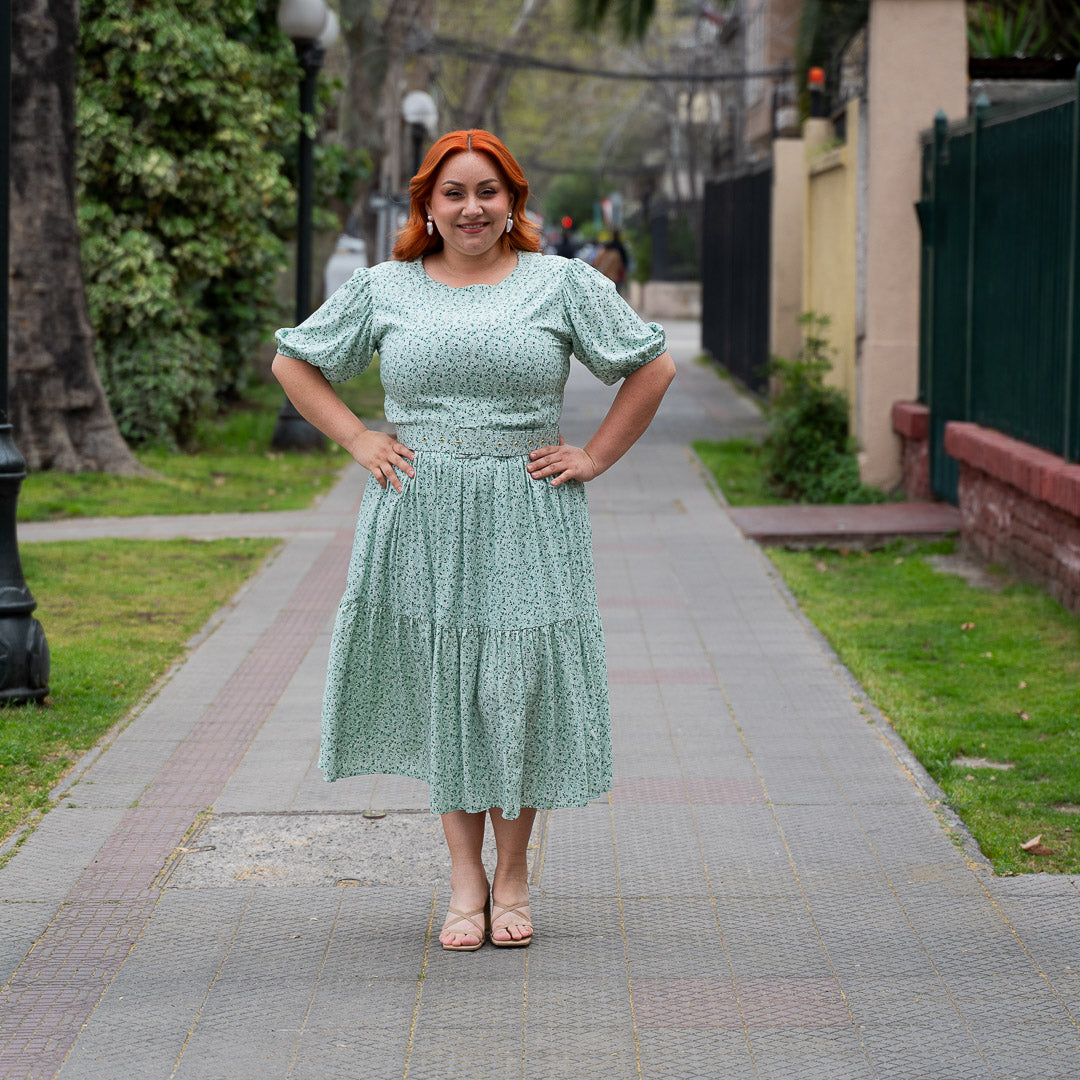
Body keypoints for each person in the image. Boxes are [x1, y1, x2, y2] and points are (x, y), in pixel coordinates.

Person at [272, 130, 675, 952]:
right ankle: (464, 880)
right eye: (454, 192)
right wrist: (358, 439)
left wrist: (594, 455)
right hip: (418, 514)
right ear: (428, 203)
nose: (471, 208)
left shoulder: (561, 284)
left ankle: (516, 875)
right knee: (444, 688)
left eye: (488, 191)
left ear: (513, 201)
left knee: (515, 687)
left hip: (528, 512)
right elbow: (294, 362)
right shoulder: (385, 287)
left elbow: (652, 364)